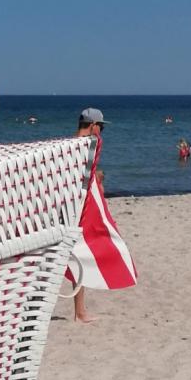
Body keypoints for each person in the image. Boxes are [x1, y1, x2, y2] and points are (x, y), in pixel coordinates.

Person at [68, 108, 137, 323]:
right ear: (92, 125)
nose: (101, 132)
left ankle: (80, 311)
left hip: (72, 206)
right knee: (88, 250)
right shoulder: (90, 144)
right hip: (85, 208)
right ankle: (80, 312)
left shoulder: (68, 145)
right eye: (101, 127)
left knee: (77, 254)